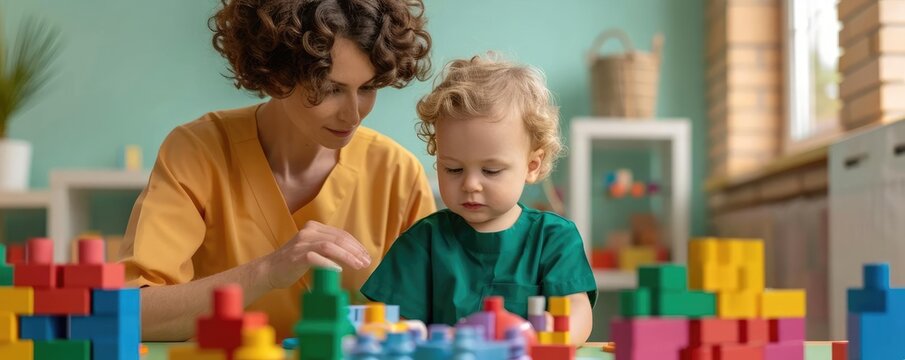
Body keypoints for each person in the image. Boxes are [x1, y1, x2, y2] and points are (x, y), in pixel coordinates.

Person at [120, 0, 435, 341]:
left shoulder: (397, 173)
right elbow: (133, 313)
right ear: (275, 75)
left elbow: (433, 318)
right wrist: (267, 271)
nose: (353, 115)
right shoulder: (198, 152)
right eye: (330, 89)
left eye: (368, 88)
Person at [360, 54, 597, 344]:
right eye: (453, 169)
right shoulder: (423, 241)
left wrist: (550, 338)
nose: (471, 184)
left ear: (532, 166)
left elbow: (577, 310)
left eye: (491, 170)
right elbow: (389, 321)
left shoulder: (554, 238)